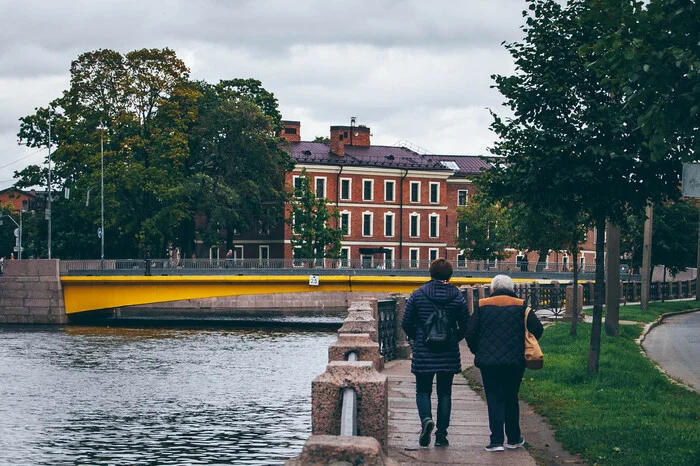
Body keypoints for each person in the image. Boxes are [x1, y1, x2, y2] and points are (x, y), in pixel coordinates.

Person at [465, 274, 543, 452]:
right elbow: (537, 328)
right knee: (511, 397)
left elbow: (470, 332)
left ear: (493, 289)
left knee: (494, 398)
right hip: (515, 361)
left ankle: (496, 440)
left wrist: (478, 350)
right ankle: (514, 438)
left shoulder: (482, 305)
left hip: (489, 363)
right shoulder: (522, 306)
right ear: (512, 289)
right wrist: (524, 344)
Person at [401, 258, 470, 448]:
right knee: (445, 393)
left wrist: (420, 337)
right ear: (450, 274)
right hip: (447, 352)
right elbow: (466, 324)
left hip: (425, 351)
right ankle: (441, 436)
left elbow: (405, 323)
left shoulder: (418, 294)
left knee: (423, 390)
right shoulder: (457, 296)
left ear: (430, 273)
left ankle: (425, 420)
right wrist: (453, 338)